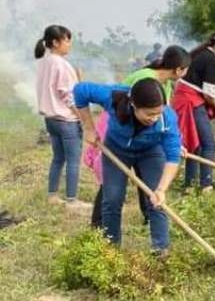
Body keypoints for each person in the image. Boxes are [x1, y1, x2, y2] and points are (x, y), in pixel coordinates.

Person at [86, 46, 191, 227]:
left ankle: (149, 217)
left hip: (142, 136)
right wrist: (88, 128)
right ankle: (98, 224)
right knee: (112, 182)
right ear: (179, 69)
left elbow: (162, 121)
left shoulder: (164, 84)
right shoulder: (146, 79)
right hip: (120, 130)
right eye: (187, 69)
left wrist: (173, 144)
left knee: (148, 177)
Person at [75, 78, 182, 255]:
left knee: (155, 200)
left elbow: (172, 157)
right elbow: (80, 90)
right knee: (112, 199)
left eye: (158, 113)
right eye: (149, 114)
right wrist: (88, 128)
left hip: (151, 152)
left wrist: (162, 189)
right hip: (116, 150)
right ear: (133, 104)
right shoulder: (114, 98)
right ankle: (111, 250)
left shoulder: (167, 118)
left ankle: (161, 250)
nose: (154, 118)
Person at [171, 30, 215, 193]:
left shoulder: (201, 53)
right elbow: (209, 95)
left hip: (186, 99)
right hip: (191, 101)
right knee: (208, 144)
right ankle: (206, 185)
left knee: (194, 143)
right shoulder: (211, 59)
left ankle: (190, 185)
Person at [34, 24, 90, 210]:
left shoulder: (44, 61)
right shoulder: (62, 65)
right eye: (67, 40)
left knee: (58, 158)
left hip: (50, 119)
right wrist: (81, 115)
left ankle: (52, 195)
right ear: (56, 42)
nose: (69, 44)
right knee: (73, 160)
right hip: (66, 120)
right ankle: (72, 200)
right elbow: (68, 95)